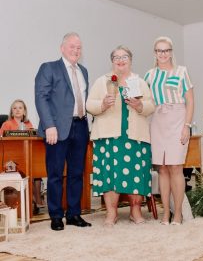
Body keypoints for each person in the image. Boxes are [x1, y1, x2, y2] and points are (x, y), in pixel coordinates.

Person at [86, 45, 155, 226]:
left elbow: (150, 106)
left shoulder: (139, 82)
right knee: (110, 174)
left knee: (136, 174)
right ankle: (111, 213)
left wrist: (139, 106)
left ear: (130, 60)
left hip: (135, 135)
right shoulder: (102, 81)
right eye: (116, 57)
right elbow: (89, 105)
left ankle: (135, 211)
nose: (120, 60)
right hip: (109, 136)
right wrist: (102, 104)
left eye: (124, 56)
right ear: (112, 61)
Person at [35, 32, 91, 231]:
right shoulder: (49, 68)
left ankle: (74, 214)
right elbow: (41, 98)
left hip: (81, 126)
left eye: (79, 47)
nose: (76, 50)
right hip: (57, 129)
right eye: (72, 46)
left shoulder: (83, 71)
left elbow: (84, 101)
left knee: (77, 173)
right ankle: (56, 216)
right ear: (62, 48)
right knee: (56, 174)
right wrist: (49, 125)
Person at [144, 36, 194, 225]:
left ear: (171, 52)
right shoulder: (149, 75)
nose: (163, 54)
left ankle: (179, 213)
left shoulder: (182, 72)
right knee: (162, 169)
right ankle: (166, 213)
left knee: (175, 167)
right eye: (159, 50)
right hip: (157, 121)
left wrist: (186, 126)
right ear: (155, 53)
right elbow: (144, 101)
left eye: (166, 50)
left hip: (178, 119)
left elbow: (190, 101)